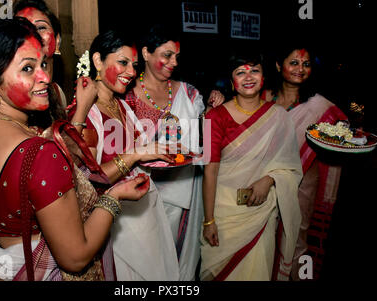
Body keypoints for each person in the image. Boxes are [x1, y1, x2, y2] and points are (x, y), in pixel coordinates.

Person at [0, 17, 150, 281]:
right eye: (27, 68)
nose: (45, 77)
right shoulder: (40, 153)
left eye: (43, 64)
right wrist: (114, 198)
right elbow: (75, 257)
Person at [68, 29, 180, 280]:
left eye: (134, 65)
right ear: (98, 61)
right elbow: (88, 179)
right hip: (114, 225)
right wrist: (136, 155)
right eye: (122, 62)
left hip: (143, 215)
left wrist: (159, 153)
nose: (131, 71)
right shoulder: (85, 113)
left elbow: (139, 152)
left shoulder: (121, 106)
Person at [124, 24, 223, 281]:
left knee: (176, 264)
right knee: (145, 266)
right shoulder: (125, 95)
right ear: (145, 53)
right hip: (138, 196)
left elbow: (204, 133)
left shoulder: (188, 94)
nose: (173, 62)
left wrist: (214, 107)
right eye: (166, 55)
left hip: (181, 193)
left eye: (177, 57)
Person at [200, 51, 303, 281]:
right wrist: (209, 221)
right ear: (231, 81)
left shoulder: (278, 117)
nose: (248, 77)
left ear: (264, 77)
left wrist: (269, 180)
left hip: (260, 214)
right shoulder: (213, 118)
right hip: (223, 214)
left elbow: (290, 167)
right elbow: (210, 169)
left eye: (255, 70)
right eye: (240, 72)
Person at [262, 44, 348, 280]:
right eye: (294, 62)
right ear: (279, 65)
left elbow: (342, 132)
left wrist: (348, 135)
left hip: (302, 184)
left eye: (306, 64)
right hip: (262, 182)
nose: (300, 69)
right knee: (264, 238)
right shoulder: (263, 97)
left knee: (296, 239)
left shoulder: (319, 106)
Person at [14, 0, 68, 128]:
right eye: (24, 29)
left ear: (58, 40)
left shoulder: (57, 92)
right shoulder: (16, 90)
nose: (33, 35)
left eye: (41, 28)